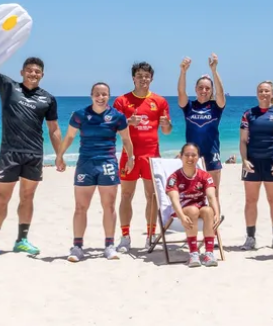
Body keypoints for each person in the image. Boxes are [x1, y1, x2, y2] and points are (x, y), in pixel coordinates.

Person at [0, 57, 61, 257]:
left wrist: (60, 155)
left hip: (34, 154)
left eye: (37, 71)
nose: (33, 74)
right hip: (9, 154)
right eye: (29, 70)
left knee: (27, 197)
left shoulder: (48, 99)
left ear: (42, 75)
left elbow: (54, 129)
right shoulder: (8, 86)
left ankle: (22, 240)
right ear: (22, 72)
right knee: (2, 197)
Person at [56, 82, 133, 262]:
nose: (100, 97)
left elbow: (126, 139)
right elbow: (69, 136)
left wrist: (131, 158)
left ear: (109, 96)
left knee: (109, 206)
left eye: (104, 94)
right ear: (91, 95)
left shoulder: (118, 116)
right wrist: (60, 155)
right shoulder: (80, 115)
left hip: (108, 164)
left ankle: (109, 246)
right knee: (80, 207)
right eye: (97, 94)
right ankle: (77, 247)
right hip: (86, 164)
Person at [114, 62, 172, 253]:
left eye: (146, 76)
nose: (143, 79)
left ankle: (150, 236)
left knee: (152, 196)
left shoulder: (160, 101)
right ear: (133, 78)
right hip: (129, 156)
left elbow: (167, 131)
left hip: (152, 157)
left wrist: (166, 125)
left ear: (151, 78)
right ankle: (125, 237)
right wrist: (127, 122)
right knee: (126, 195)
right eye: (139, 75)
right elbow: (113, 127)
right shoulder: (122, 101)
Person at [239, 80, 273, 251]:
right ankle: (250, 238)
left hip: (272, 161)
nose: (264, 93)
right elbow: (243, 140)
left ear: (272, 93)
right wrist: (244, 160)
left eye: (267, 91)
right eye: (261, 90)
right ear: (257, 93)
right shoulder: (248, 114)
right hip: (252, 162)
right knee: (250, 200)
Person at [166, 142, 222, 268]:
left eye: (193, 155)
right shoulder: (174, 177)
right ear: (181, 156)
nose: (190, 158)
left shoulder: (204, 175)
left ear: (198, 157)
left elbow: (211, 196)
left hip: (200, 208)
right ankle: (193, 253)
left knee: (208, 211)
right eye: (187, 155)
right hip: (181, 211)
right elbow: (174, 200)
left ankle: (209, 253)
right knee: (192, 210)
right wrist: (181, 216)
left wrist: (217, 214)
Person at [177, 54, 227, 188]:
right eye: (200, 87)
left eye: (207, 88)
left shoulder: (216, 107)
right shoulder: (189, 106)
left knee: (213, 194)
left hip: (212, 154)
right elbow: (181, 92)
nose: (204, 91)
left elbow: (220, 94)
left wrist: (214, 71)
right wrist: (183, 72)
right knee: (193, 193)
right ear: (195, 89)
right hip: (192, 155)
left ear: (211, 90)